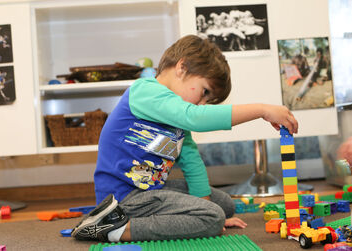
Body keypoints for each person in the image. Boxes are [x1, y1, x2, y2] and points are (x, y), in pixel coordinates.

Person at [71, 35, 298, 243]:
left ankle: (204, 218)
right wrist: (261, 110)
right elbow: (195, 118)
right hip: (123, 199)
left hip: (149, 192)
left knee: (223, 205)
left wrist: (207, 207)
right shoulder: (145, 92)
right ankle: (114, 229)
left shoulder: (176, 116)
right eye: (205, 92)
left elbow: (191, 161)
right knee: (212, 217)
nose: (201, 103)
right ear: (182, 67)